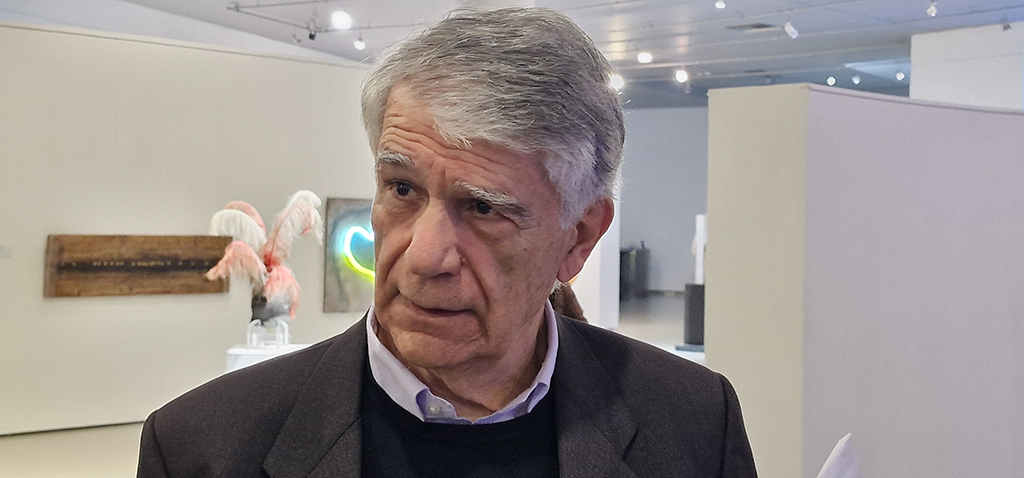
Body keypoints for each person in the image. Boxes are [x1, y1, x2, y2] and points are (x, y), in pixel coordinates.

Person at [137, 7, 757, 478]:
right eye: (402, 189)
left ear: (579, 236)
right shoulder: (201, 446)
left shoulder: (694, 420)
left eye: (484, 208)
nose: (424, 256)